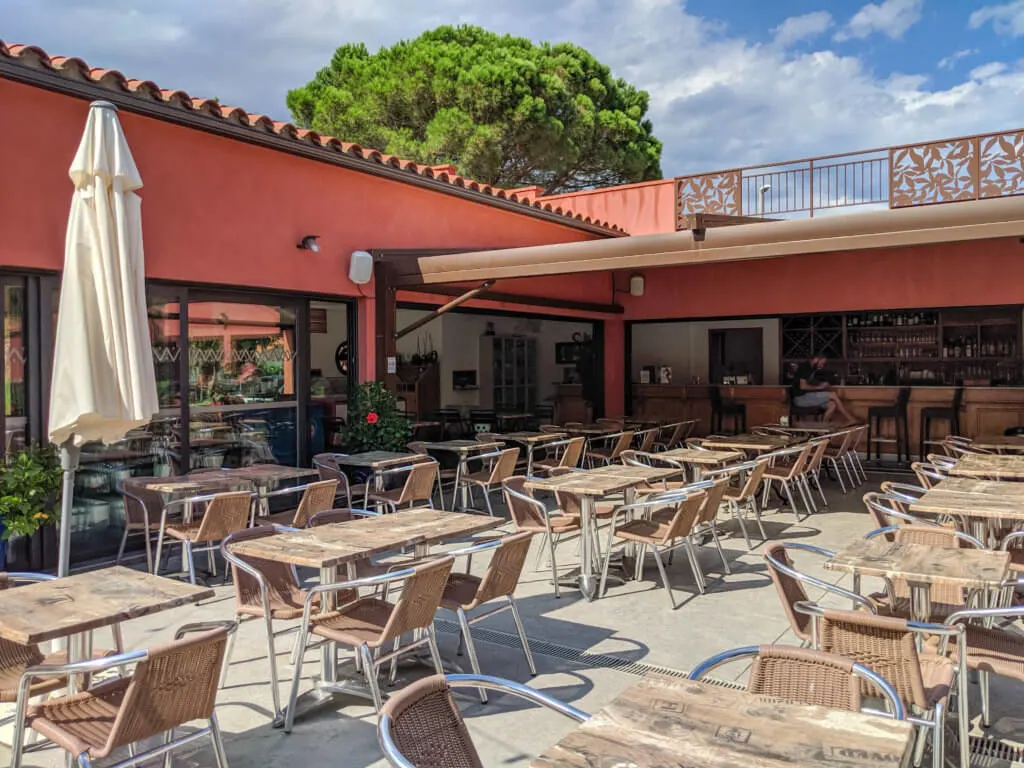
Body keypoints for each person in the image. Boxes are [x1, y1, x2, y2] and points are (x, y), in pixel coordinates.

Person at [791, 356, 858, 425]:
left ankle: (823, 426)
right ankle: (850, 419)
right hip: (801, 399)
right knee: (833, 395)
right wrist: (819, 387)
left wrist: (821, 384)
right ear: (816, 359)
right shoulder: (805, 368)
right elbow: (803, 386)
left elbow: (810, 382)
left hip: (808, 397)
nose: (822, 366)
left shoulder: (811, 368)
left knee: (833, 404)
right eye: (822, 363)